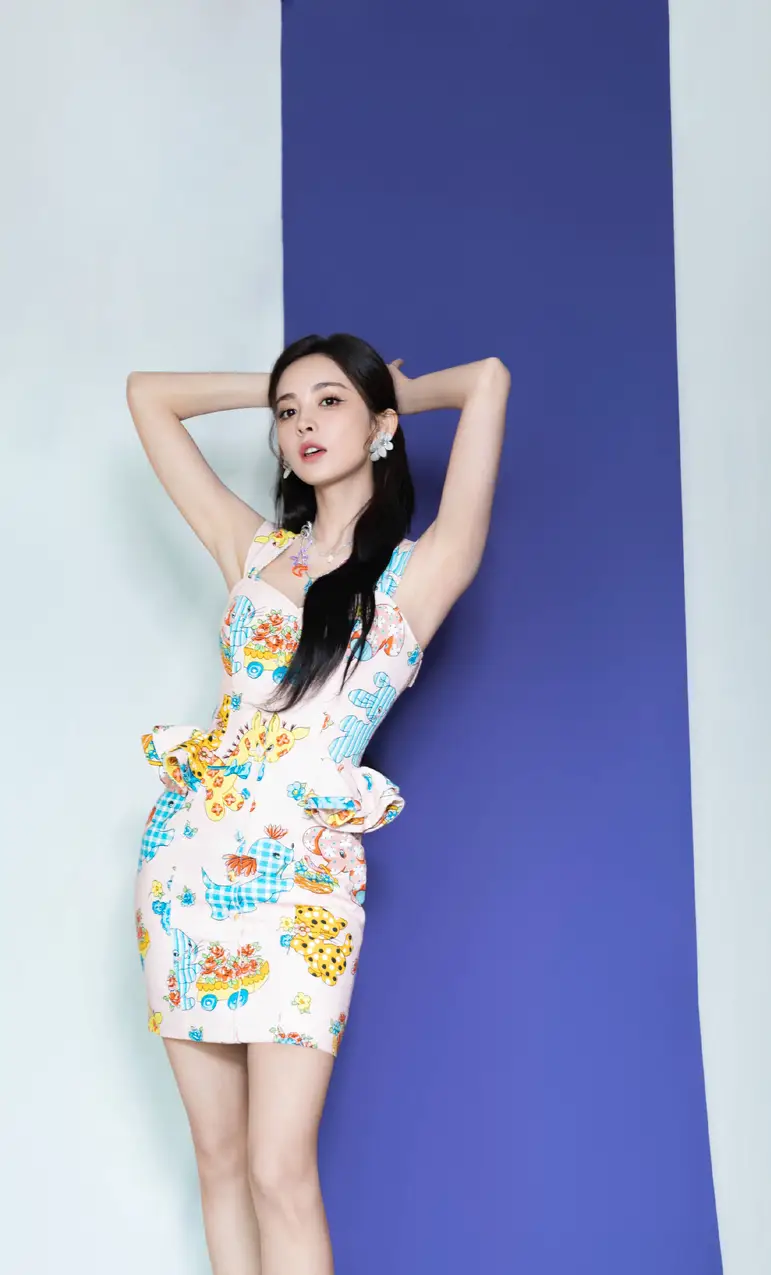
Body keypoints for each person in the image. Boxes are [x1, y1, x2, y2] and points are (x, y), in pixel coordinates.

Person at [128, 331, 510, 1275]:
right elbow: (147, 395)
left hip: (303, 882)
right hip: (185, 863)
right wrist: (279, 384)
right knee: (219, 1162)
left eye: (330, 402)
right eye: (288, 410)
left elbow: (488, 380)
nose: (303, 422)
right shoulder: (252, 548)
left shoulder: (423, 570)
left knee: (278, 1169)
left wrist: (397, 393)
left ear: (379, 425)